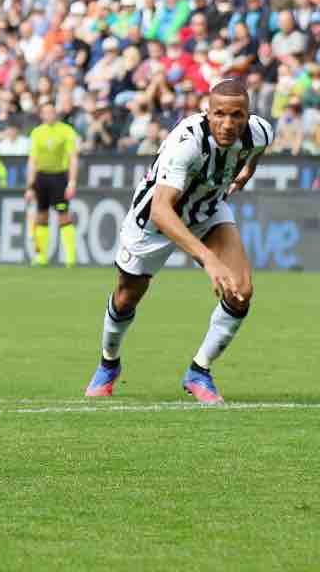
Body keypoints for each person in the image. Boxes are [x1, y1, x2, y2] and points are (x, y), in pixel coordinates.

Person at [85, 79, 273, 403]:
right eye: (220, 114)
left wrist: (244, 175)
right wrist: (209, 259)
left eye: (237, 116)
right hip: (154, 221)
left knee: (240, 292)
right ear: (207, 112)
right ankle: (108, 362)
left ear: (248, 115)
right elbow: (161, 210)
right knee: (126, 298)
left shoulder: (259, 132)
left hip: (207, 212)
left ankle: (199, 371)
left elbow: (255, 152)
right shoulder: (187, 141)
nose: (228, 124)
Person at [24, 100, 79, 266]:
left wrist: (72, 182)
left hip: (59, 177)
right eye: (46, 112)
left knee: (63, 215)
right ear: (41, 115)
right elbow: (32, 161)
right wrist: (30, 186)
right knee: (41, 215)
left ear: (56, 113)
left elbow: (73, 158)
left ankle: (70, 258)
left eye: (52, 112)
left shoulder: (66, 131)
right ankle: (41, 257)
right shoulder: (36, 133)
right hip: (42, 177)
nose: (49, 115)